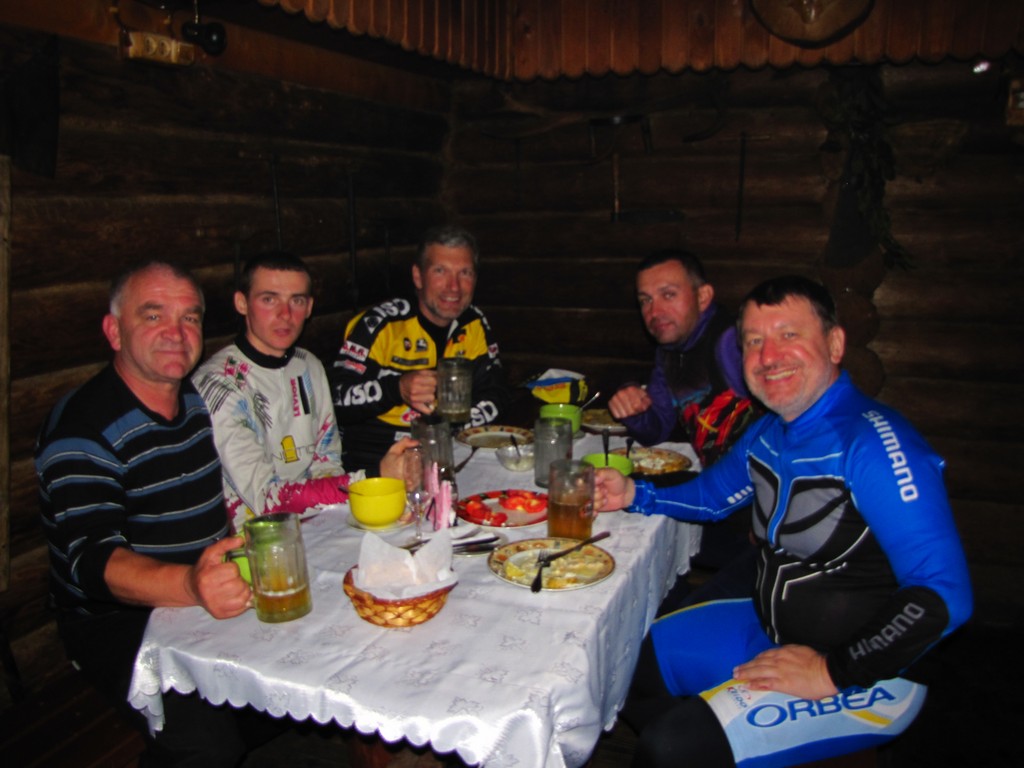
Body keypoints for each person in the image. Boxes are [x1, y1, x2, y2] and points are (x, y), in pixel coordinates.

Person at [595, 275, 973, 767]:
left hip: (871, 670)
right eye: (754, 341)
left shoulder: (873, 445)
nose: (768, 356)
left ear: (835, 344)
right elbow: (711, 497)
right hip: (769, 629)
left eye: (788, 335)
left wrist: (831, 671)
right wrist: (634, 494)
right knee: (630, 664)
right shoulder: (771, 432)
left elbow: (945, 594)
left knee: (670, 748)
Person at [35, 261, 280, 766]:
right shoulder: (83, 427)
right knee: (208, 745)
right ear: (114, 331)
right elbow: (92, 561)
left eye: (190, 318)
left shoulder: (189, 397)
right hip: (116, 619)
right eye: (153, 316)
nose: (176, 333)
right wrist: (191, 585)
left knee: (288, 673)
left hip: (202, 586)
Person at [193, 251, 413, 532]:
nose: (285, 314)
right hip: (252, 540)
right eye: (269, 299)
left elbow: (326, 463)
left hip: (315, 525)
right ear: (242, 303)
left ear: (309, 308)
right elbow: (266, 500)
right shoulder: (218, 384)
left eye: (296, 300)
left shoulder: (309, 365)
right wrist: (372, 479)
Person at [331, 225, 510, 471]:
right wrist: (397, 388)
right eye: (440, 271)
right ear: (418, 276)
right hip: (378, 464)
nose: (454, 287)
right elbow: (336, 400)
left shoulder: (474, 323)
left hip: (450, 455)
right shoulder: (381, 324)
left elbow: (497, 391)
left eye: (465, 273)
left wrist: (458, 424)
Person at [608, 250, 757, 467]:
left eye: (668, 295)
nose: (654, 312)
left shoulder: (731, 342)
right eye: (645, 300)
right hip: (717, 480)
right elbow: (657, 430)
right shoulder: (668, 351)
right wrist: (633, 409)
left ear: (702, 297)